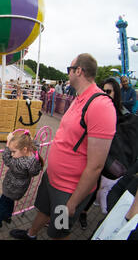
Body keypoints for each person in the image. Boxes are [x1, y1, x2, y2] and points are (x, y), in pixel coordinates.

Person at [10, 53, 116, 240]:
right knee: (43, 210)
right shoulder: (79, 97)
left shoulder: (100, 105)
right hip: (53, 178)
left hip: (69, 190)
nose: (68, 74)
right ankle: (31, 234)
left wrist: (73, 202)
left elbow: (96, 165)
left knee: (59, 231)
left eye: (70, 69)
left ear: (79, 71)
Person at [78, 77, 133, 227]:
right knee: (90, 184)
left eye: (108, 91)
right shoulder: (97, 107)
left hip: (110, 158)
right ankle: (79, 210)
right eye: (102, 90)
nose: (104, 94)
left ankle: (85, 212)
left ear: (116, 93)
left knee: (99, 187)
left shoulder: (122, 114)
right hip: (94, 154)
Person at [0, 131, 43, 228]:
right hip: (20, 188)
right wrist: (30, 139)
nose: (12, 154)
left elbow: (6, 158)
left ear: (24, 149)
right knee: (10, 201)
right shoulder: (33, 156)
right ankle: (8, 216)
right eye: (11, 152)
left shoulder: (19, 163)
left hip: (11, 187)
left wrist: (8, 143)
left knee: (3, 201)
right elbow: (37, 145)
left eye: (14, 152)